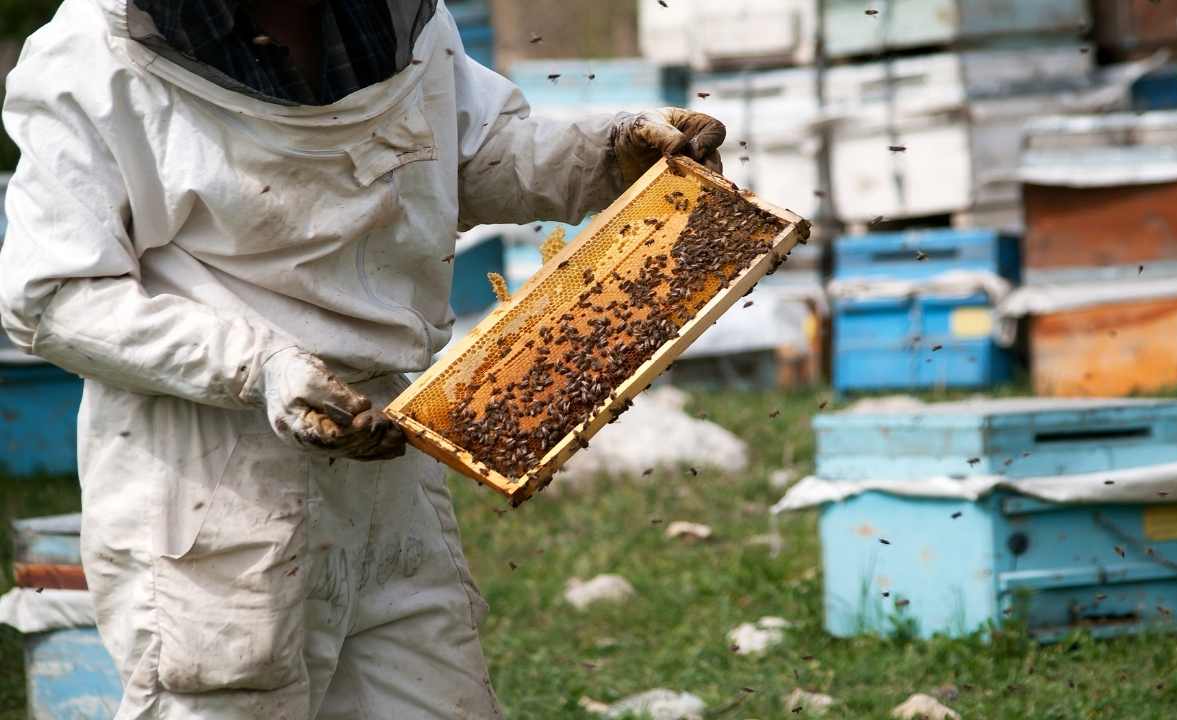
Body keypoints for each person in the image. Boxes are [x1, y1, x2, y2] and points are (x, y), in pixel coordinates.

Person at [0, 1, 726, 717]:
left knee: (437, 697)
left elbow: (469, 156)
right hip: (211, 463)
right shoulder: (92, 55)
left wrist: (606, 153)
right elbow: (52, 297)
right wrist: (259, 367)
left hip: (387, 440)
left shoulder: (398, 20)